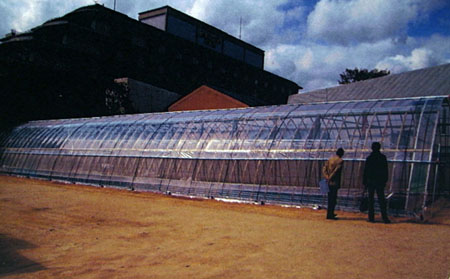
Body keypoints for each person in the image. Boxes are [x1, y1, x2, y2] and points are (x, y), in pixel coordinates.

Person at [363, 142, 391, 224]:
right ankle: (384, 217)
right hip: (379, 181)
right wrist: (385, 180)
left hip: (371, 181)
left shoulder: (369, 158)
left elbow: (366, 171)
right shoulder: (382, 158)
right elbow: (385, 170)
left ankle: (371, 217)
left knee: (371, 200)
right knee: (381, 199)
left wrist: (365, 182)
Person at [322, 148, 344, 220]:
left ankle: (329, 213)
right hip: (334, 182)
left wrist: (326, 177)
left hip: (327, 181)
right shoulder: (340, 161)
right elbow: (336, 171)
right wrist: (330, 177)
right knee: (333, 198)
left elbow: (324, 168)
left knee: (329, 198)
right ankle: (331, 214)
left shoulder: (330, 159)